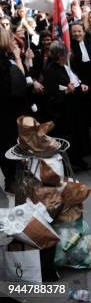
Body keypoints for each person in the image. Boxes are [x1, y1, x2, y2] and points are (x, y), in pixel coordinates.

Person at [42, 41, 91, 170]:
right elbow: (51, 95)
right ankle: (73, 163)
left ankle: (78, 160)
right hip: (63, 113)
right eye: (66, 52)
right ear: (60, 55)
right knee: (70, 139)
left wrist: (81, 86)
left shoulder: (64, 65)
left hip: (73, 109)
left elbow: (73, 80)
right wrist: (66, 92)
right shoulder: (50, 70)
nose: (69, 54)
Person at [0, 28, 28, 191]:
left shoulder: (6, 60)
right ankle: (12, 180)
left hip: (7, 113)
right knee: (8, 146)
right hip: (7, 114)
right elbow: (19, 86)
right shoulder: (3, 63)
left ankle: (12, 178)